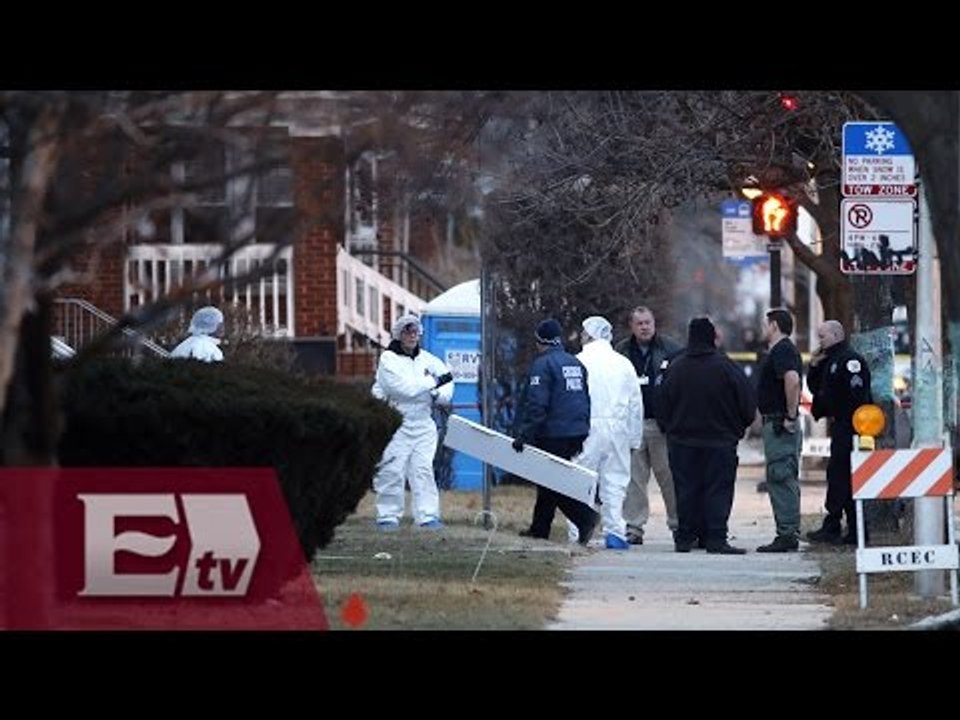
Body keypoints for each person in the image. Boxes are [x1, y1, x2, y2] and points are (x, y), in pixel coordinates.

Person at [658, 317, 756, 554]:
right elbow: (747, 404)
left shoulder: (676, 367)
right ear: (713, 338)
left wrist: (670, 429)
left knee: (685, 489)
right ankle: (715, 538)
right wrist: (737, 430)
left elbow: (661, 404)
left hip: (682, 442)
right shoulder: (726, 367)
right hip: (720, 442)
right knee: (718, 490)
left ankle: (685, 538)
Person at [513, 318, 598, 544]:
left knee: (551, 481)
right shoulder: (575, 363)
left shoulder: (543, 365)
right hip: (576, 431)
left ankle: (585, 518)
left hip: (554, 432)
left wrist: (525, 434)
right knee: (548, 479)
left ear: (540, 341)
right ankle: (539, 529)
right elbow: (585, 398)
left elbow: (537, 405)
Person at [371, 313, 454, 530]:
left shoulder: (427, 359)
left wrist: (438, 394)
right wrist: (432, 383)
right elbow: (402, 389)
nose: (412, 335)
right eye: (408, 330)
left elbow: (447, 383)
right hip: (395, 423)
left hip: (423, 423)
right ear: (399, 334)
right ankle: (387, 516)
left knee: (423, 470)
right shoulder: (388, 360)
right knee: (392, 469)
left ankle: (427, 516)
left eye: (415, 331)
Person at [567, 316, 644, 550]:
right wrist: (634, 437)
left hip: (586, 428)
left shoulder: (577, 361)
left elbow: (569, 399)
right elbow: (635, 404)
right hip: (617, 429)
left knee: (580, 480)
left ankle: (577, 531)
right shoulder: (623, 364)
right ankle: (615, 532)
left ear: (588, 335)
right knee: (615, 481)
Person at [615, 306, 682, 545]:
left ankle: (678, 524)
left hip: (661, 424)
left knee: (669, 477)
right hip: (632, 424)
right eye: (639, 323)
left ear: (654, 324)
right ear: (632, 326)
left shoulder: (670, 349)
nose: (644, 327)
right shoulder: (621, 351)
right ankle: (634, 527)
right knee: (634, 479)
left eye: (648, 323)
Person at [805, 320, 873, 545]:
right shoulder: (830, 360)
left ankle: (850, 528)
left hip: (852, 427)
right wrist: (814, 365)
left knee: (844, 477)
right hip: (840, 426)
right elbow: (816, 388)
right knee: (838, 476)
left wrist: (846, 418)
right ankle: (836, 525)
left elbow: (857, 394)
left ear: (836, 335)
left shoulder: (850, 360)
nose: (820, 341)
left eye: (822, 336)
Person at [755, 308, 803, 552]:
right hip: (777, 421)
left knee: (780, 475)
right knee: (783, 475)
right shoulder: (782, 350)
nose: (764, 329)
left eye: (766, 325)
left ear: (774, 325)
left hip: (779, 423)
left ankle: (786, 534)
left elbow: (792, 380)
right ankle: (789, 530)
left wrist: (790, 416)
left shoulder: (782, 349)